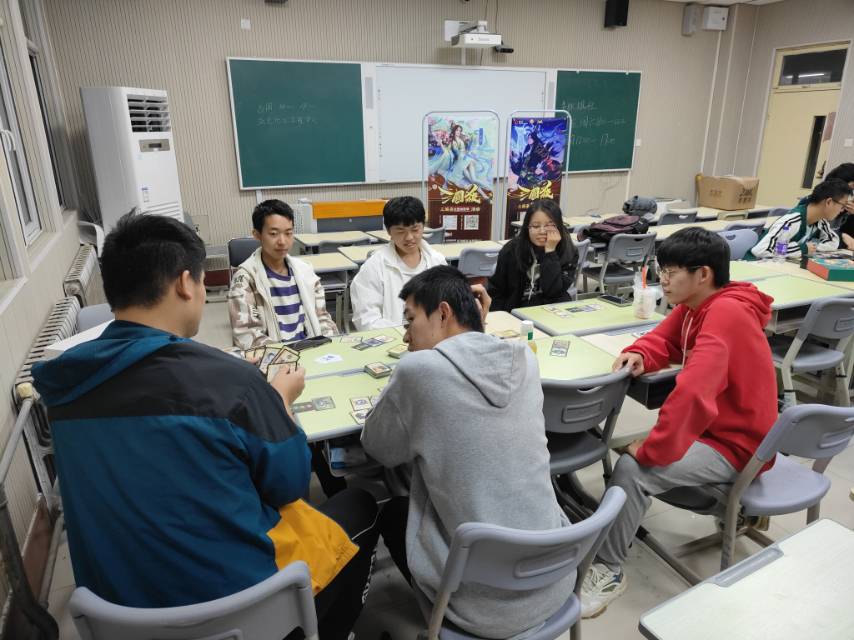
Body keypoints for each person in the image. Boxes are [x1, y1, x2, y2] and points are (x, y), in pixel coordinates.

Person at [32, 213, 378, 639]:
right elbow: (289, 484)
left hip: (119, 619)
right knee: (359, 506)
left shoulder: (66, 387)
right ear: (185, 283)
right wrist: (278, 400)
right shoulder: (229, 382)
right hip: (244, 613)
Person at [361, 266, 573, 638]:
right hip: (555, 579)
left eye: (410, 320)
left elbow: (379, 448)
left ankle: (434, 618)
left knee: (393, 508)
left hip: (480, 608)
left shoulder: (417, 370)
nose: (406, 335)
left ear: (443, 313)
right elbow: (478, 366)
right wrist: (477, 330)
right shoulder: (523, 358)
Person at [580, 228, 778, 618]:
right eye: (663, 270)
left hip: (738, 444)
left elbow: (693, 395)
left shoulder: (725, 313)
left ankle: (608, 569)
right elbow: (665, 339)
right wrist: (641, 352)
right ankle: (732, 509)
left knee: (632, 469)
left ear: (703, 274)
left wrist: (652, 449)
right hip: (720, 431)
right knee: (643, 459)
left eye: (671, 273)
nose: (663, 280)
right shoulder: (696, 306)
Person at [229, 199, 337, 349]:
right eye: (273, 234)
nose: (282, 241)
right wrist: (287, 357)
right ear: (257, 235)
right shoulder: (245, 280)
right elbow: (247, 336)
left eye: (288, 233)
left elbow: (323, 319)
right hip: (274, 358)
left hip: (312, 352)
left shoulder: (305, 272)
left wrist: (331, 347)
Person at [350, 196, 446, 330]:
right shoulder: (374, 267)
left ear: (423, 226)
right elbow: (366, 319)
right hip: (393, 339)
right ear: (389, 231)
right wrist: (406, 334)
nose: (409, 237)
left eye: (415, 229)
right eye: (401, 231)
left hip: (434, 336)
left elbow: (448, 309)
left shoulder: (438, 262)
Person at [488, 198, 578, 311]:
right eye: (535, 226)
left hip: (551, 309)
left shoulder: (568, 251)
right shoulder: (511, 250)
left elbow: (554, 293)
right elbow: (496, 292)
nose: (542, 231)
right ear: (527, 227)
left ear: (558, 227)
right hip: (517, 310)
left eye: (549, 226)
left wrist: (550, 252)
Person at [749, 179, 853, 259]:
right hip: (756, 265)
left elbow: (833, 242)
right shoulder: (792, 221)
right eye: (842, 206)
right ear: (829, 202)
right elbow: (761, 250)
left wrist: (813, 247)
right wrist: (801, 248)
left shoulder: (820, 221)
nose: (842, 210)